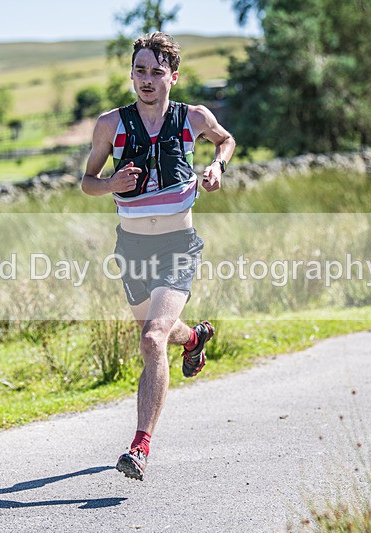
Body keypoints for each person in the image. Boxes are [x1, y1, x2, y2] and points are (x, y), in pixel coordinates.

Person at [81, 32, 235, 481]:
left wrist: (215, 166)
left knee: (151, 339)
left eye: (156, 72)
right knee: (162, 335)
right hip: (131, 249)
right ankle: (193, 338)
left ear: (173, 76)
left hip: (176, 247)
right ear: (131, 74)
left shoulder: (194, 117)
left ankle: (140, 446)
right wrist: (110, 185)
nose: (146, 80)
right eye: (139, 71)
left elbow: (225, 141)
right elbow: (88, 181)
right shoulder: (111, 124)